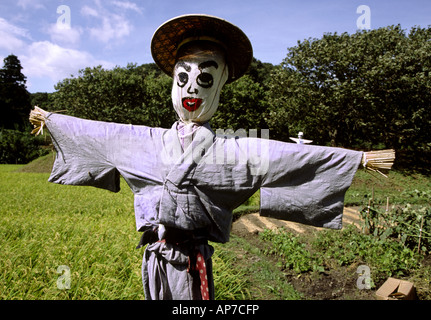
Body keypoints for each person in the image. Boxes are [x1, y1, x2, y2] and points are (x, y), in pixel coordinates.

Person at [30, 14, 383, 300]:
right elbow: (100, 132)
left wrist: (357, 159)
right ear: (172, 79)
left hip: (192, 258)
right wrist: (51, 120)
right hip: (154, 253)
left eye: (206, 76)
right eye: (183, 75)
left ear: (221, 79)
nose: (192, 86)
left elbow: (285, 156)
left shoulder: (236, 148)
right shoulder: (145, 141)